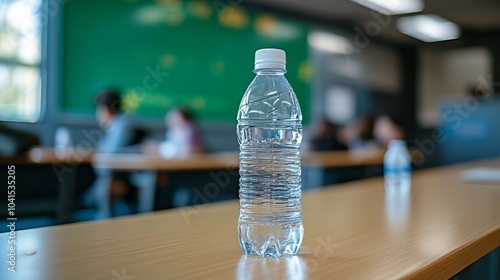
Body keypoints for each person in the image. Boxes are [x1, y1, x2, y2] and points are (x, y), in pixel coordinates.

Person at [84, 89, 139, 217]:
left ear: (104, 109)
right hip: (108, 174)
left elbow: (110, 153)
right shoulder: (116, 125)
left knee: (87, 197)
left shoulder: (122, 125)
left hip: (118, 177)